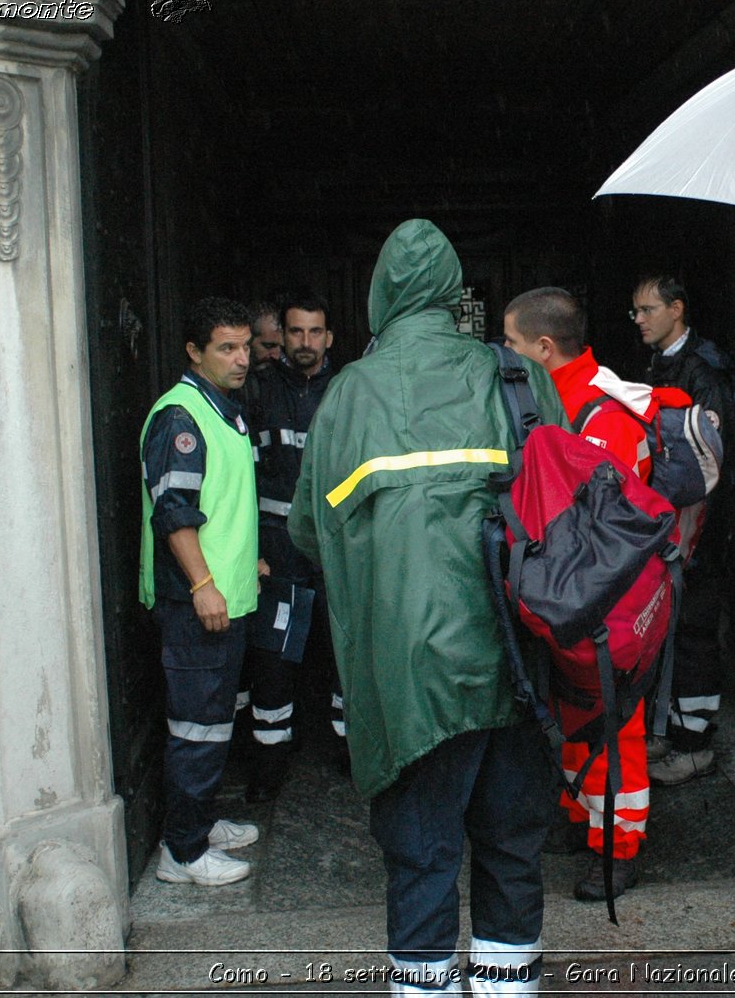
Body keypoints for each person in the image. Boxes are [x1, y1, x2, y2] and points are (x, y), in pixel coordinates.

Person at [287, 220, 564, 996]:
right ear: (451, 293)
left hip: (404, 671)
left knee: (420, 855)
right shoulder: (515, 378)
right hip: (516, 656)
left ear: (380, 296)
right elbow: (563, 505)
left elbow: (309, 529)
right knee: (512, 848)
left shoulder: (347, 395)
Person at [503, 285, 662, 903]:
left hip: (608, 599)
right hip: (575, 594)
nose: (506, 357)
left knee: (614, 721)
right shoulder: (559, 399)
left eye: (513, 345)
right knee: (577, 713)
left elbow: (608, 530)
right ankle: (583, 818)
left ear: (543, 348)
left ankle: (618, 848)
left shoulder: (602, 412)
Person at [139, 296, 264, 886]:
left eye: (244, 345)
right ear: (194, 352)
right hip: (198, 604)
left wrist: (248, 558)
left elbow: (224, 501)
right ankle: (181, 852)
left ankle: (199, 820)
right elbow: (175, 512)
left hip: (224, 596)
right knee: (198, 728)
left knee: (212, 721)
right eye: (227, 348)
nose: (242, 358)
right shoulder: (181, 417)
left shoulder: (222, 408)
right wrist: (205, 585)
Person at [630, 275, 735, 785]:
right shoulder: (659, 363)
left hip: (701, 525)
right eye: (636, 311)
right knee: (669, 625)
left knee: (694, 628)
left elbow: (710, 459)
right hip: (670, 522)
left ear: (677, 309)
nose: (640, 319)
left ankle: (695, 743)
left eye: (648, 310)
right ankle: (672, 729)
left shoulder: (702, 370)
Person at [244, 295, 341, 800]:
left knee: (342, 654)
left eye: (315, 332)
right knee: (274, 658)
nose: (306, 342)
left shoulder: (347, 392)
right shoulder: (257, 387)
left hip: (333, 546)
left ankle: (349, 761)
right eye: (296, 332)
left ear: (329, 337)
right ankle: (267, 771)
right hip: (276, 546)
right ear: (282, 334)